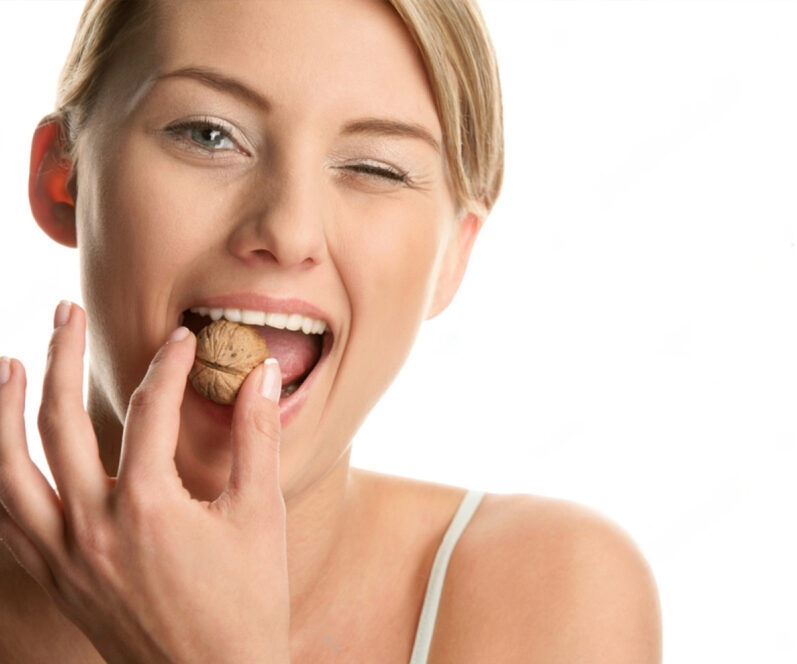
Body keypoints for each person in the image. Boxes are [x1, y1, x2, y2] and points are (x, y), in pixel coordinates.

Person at [0, 0, 661, 660]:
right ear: (61, 179)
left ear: (452, 258)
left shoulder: (551, 596)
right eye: (208, 134)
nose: (289, 232)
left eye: (374, 169)